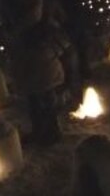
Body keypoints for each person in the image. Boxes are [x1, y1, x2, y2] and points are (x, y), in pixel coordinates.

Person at [11, 13, 76, 146]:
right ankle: (41, 132)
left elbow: (64, 49)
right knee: (38, 106)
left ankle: (51, 133)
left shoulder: (45, 32)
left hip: (45, 77)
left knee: (46, 106)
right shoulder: (25, 37)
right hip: (36, 78)